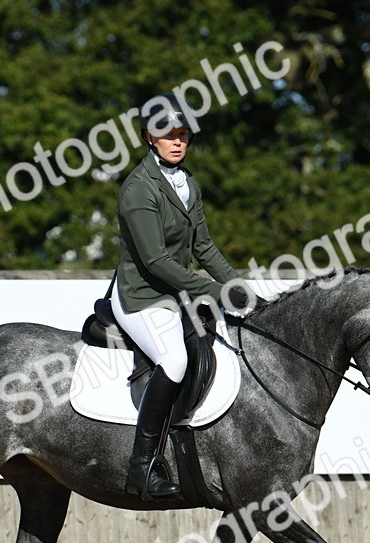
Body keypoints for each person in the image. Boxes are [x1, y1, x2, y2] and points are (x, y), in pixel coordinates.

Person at [112, 94, 254, 500]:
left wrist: (236, 285)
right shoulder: (138, 189)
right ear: (149, 138)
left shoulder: (187, 182)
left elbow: (204, 246)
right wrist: (212, 289)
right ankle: (141, 468)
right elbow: (155, 260)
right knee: (174, 360)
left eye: (183, 136)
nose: (177, 142)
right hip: (141, 294)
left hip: (176, 291)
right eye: (168, 135)